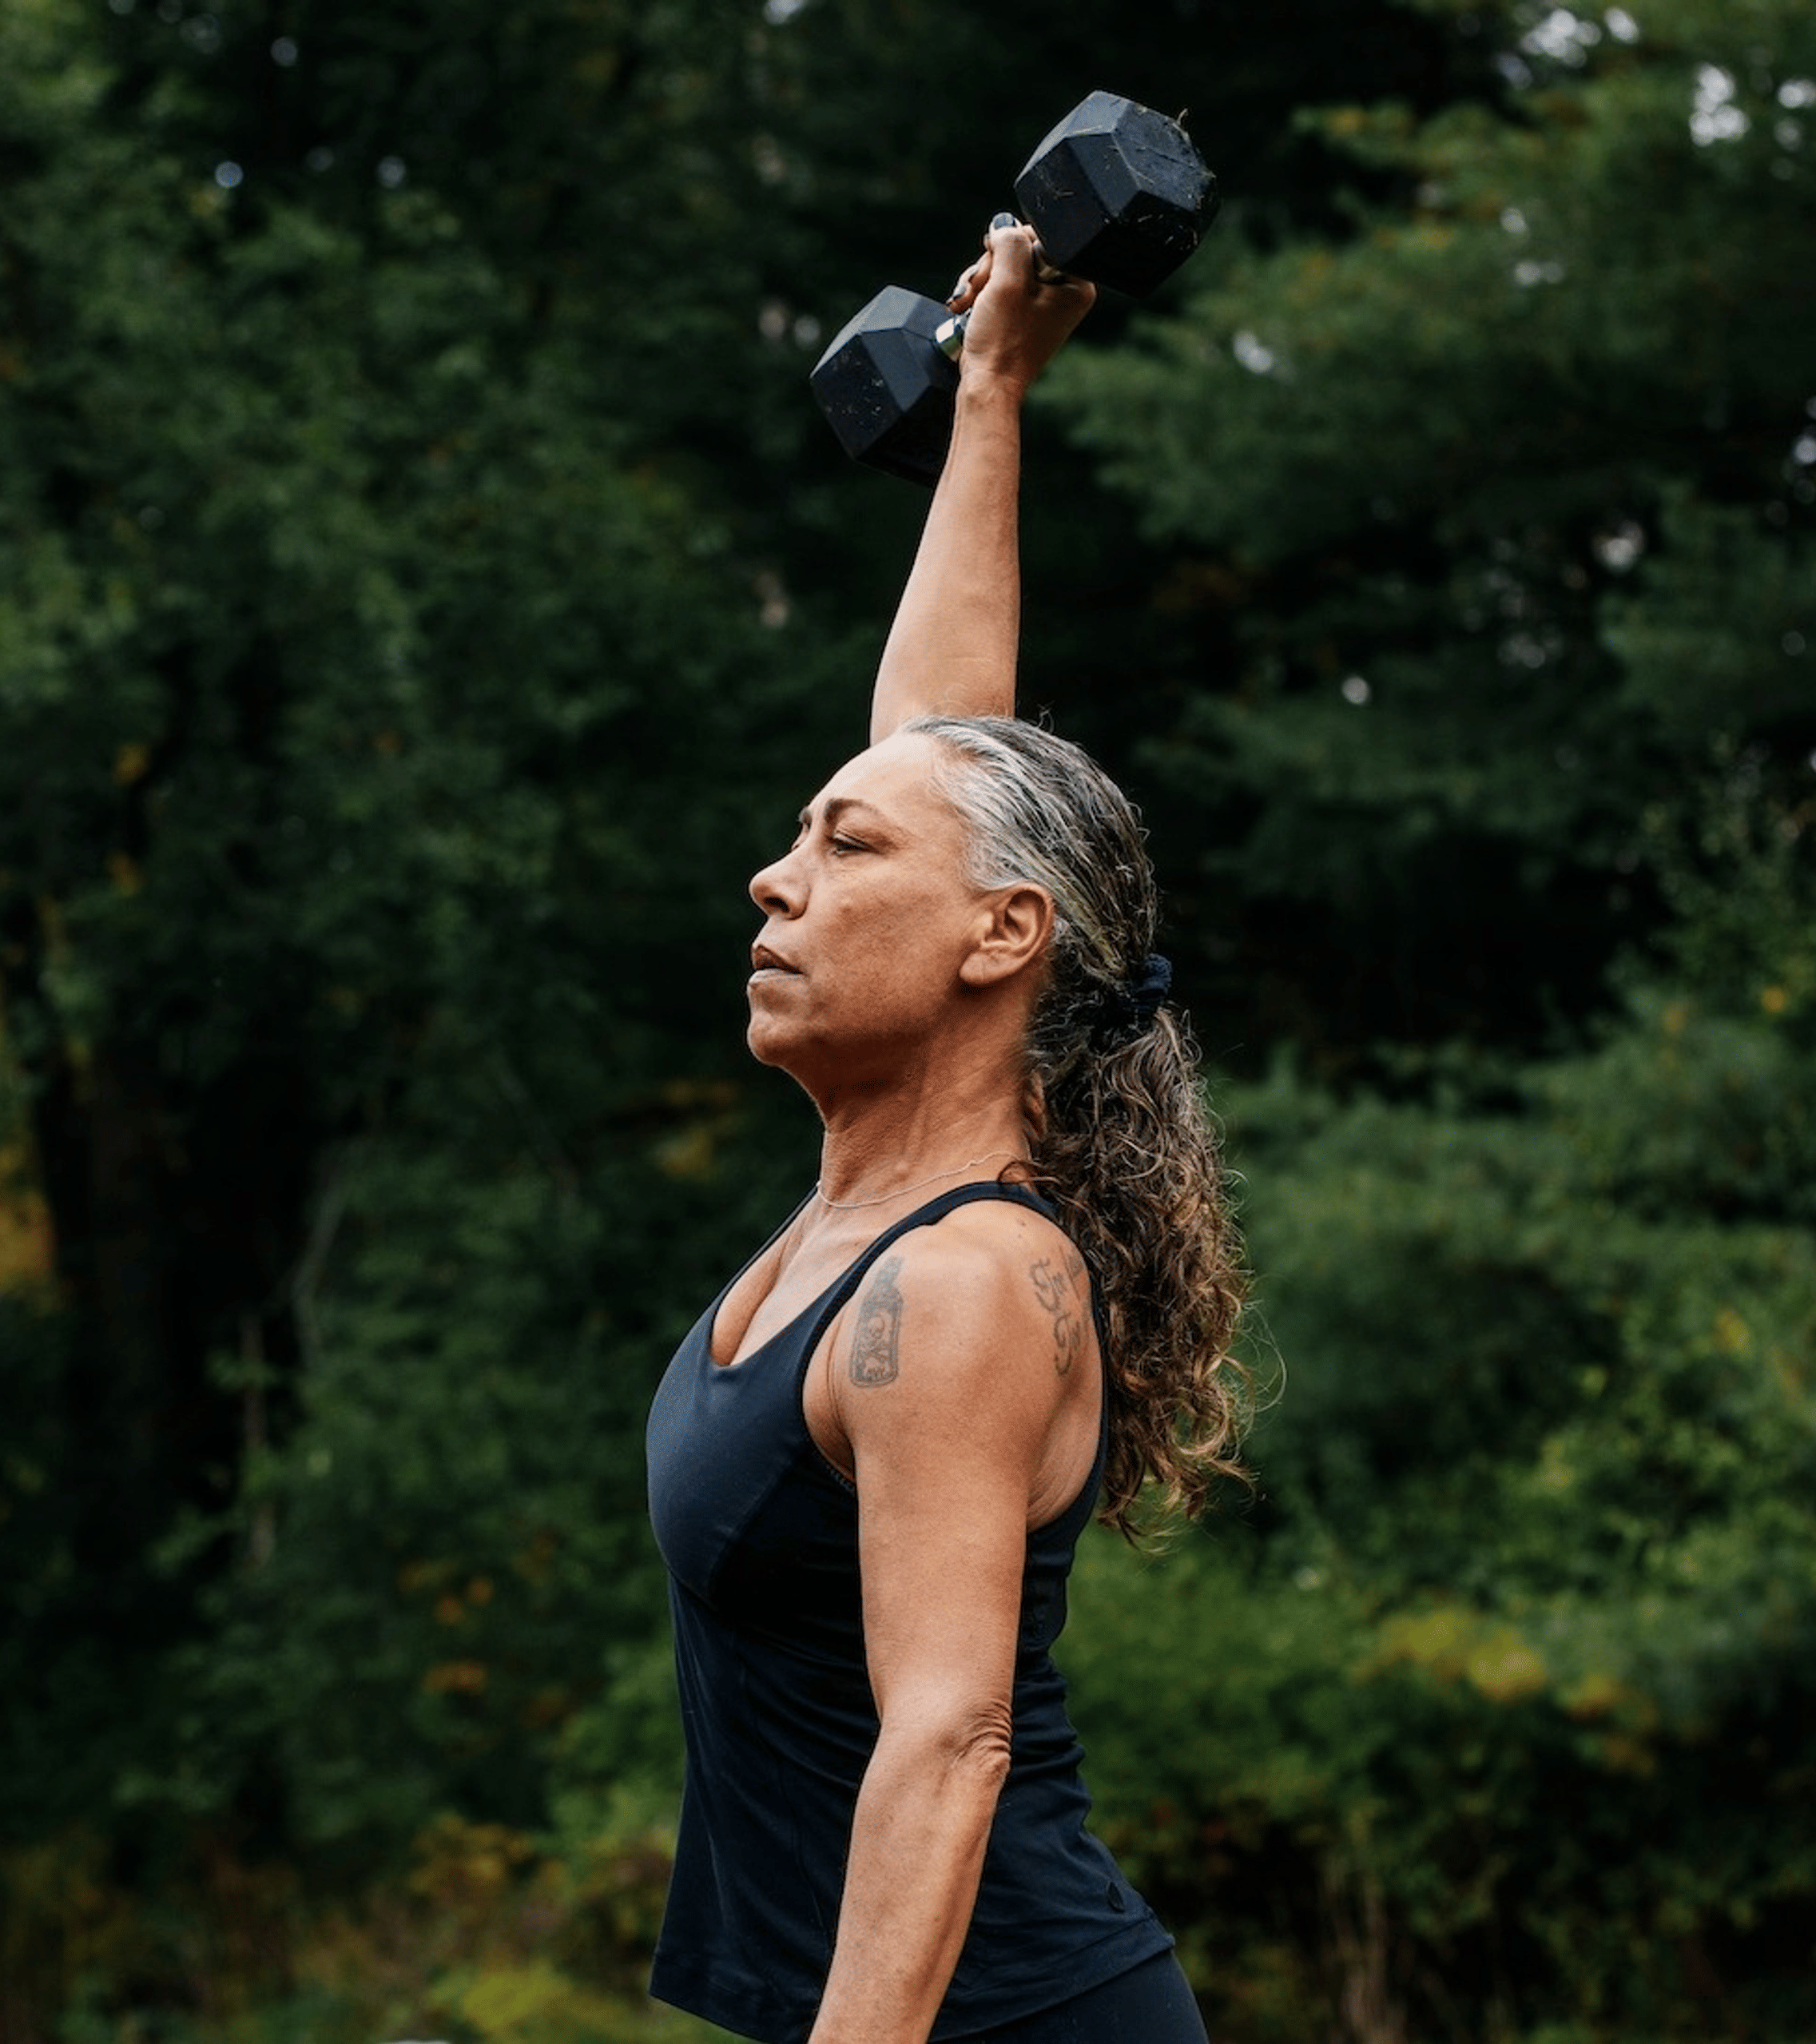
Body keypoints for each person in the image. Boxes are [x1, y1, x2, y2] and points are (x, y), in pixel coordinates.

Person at [643, 217, 1247, 2043]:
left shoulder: (966, 1281)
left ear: (1003, 939)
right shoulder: (866, 1215)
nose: (774, 873)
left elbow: (949, 1733)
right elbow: (937, 744)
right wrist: (983, 401)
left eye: (838, 850)